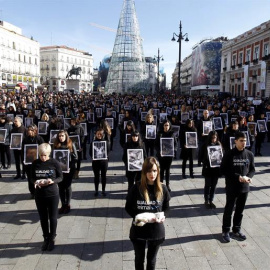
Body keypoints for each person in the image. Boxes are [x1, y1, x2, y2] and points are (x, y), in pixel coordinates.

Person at [125, 157, 170, 270]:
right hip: (139, 231)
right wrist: (138, 217)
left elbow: (167, 207)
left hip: (156, 232)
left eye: (154, 171)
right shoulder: (136, 188)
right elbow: (128, 207)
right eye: (149, 171)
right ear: (144, 172)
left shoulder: (163, 188)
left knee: (151, 260)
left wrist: (163, 216)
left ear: (158, 171)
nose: (152, 174)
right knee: (139, 259)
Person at [220, 132, 255, 243]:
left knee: (240, 210)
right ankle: (225, 231)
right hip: (232, 186)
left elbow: (252, 169)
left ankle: (236, 229)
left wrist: (248, 177)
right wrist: (237, 177)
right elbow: (223, 170)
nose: (243, 143)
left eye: (245, 141)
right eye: (241, 140)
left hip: (244, 187)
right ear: (235, 141)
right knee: (229, 209)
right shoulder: (229, 154)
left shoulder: (249, 154)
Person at [31, 143, 63, 251]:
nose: (43, 158)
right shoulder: (35, 163)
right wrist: (35, 181)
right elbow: (31, 177)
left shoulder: (54, 163)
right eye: (41, 155)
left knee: (53, 217)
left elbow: (60, 177)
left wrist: (52, 181)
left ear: (48, 154)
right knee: (43, 218)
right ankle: (45, 237)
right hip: (39, 195)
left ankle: (52, 238)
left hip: (52, 194)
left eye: (45, 155)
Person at [53, 130, 78, 214]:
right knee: (60, 187)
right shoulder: (56, 145)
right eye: (59, 136)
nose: (61, 137)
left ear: (66, 136)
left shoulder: (71, 144)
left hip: (69, 169)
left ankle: (67, 204)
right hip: (59, 169)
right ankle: (63, 204)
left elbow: (75, 157)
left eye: (62, 136)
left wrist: (70, 166)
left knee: (67, 186)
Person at [200, 131, 222, 209]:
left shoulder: (218, 145)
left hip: (216, 169)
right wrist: (206, 160)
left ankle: (211, 200)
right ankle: (206, 200)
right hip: (208, 168)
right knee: (207, 185)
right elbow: (201, 156)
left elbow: (221, 155)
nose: (214, 139)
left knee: (213, 185)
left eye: (215, 137)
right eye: (212, 138)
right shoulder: (206, 145)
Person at [22, 124, 44, 198]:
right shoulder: (25, 139)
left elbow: (43, 149)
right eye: (28, 130)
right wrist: (24, 160)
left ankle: (39, 191)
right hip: (28, 162)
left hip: (38, 161)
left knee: (38, 176)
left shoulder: (39, 139)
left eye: (31, 130)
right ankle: (32, 192)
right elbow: (23, 151)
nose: (29, 132)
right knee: (30, 178)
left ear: (35, 131)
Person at [155, 120, 177, 192]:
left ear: (170, 126)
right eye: (165, 125)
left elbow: (175, 144)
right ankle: (160, 184)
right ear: (163, 126)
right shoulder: (159, 134)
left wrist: (174, 151)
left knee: (167, 170)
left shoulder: (172, 134)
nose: (166, 127)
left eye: (167, 125)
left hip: (169, 155)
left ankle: (167, 185)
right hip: (162, 155)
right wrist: (159, 151)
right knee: (161, 170)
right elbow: (156, 145)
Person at [90, 128, 110, 196]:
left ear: (103, 135)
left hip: (104, 162)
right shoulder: (93, 142)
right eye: (98, 134)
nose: (99, 135)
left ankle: (103, 190)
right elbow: (90, 152)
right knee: (96, 176)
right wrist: (93, 156)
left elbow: (108, 151)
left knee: (103, 176)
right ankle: (96, 190)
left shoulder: (106, 142)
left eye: (100, 134)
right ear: (95, 134)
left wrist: (105, 157)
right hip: (95, 162)